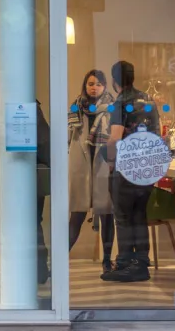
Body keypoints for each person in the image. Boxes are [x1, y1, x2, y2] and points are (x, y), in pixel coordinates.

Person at [0, 98, 52, 284]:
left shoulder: (1, 105)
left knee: (16, 222)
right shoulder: (31, 106)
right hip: (33, 172)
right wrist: (49, 165)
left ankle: (21, 268)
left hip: (14, 173)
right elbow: (45, 141)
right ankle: (38, 269)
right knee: (33, 221)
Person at [101, 61, 161, 283]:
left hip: (126, 167)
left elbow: (115, 138)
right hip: (147, 167)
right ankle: (142, 263)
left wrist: (107, 158)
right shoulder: (148, 100)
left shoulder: (121, 102)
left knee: (124, 217)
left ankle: (125, 263)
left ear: (115, 81)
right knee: (139, 216)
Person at [68, 70, 116, 273]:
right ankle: (61, 260)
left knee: (106, 214)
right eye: (90, 83)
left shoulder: (113, 109)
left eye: (98, 84)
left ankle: (106, 261)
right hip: (80, 166)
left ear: (105, 86)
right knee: (76, 216)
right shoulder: (75, 108)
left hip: (104, 164)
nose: (93, 87)